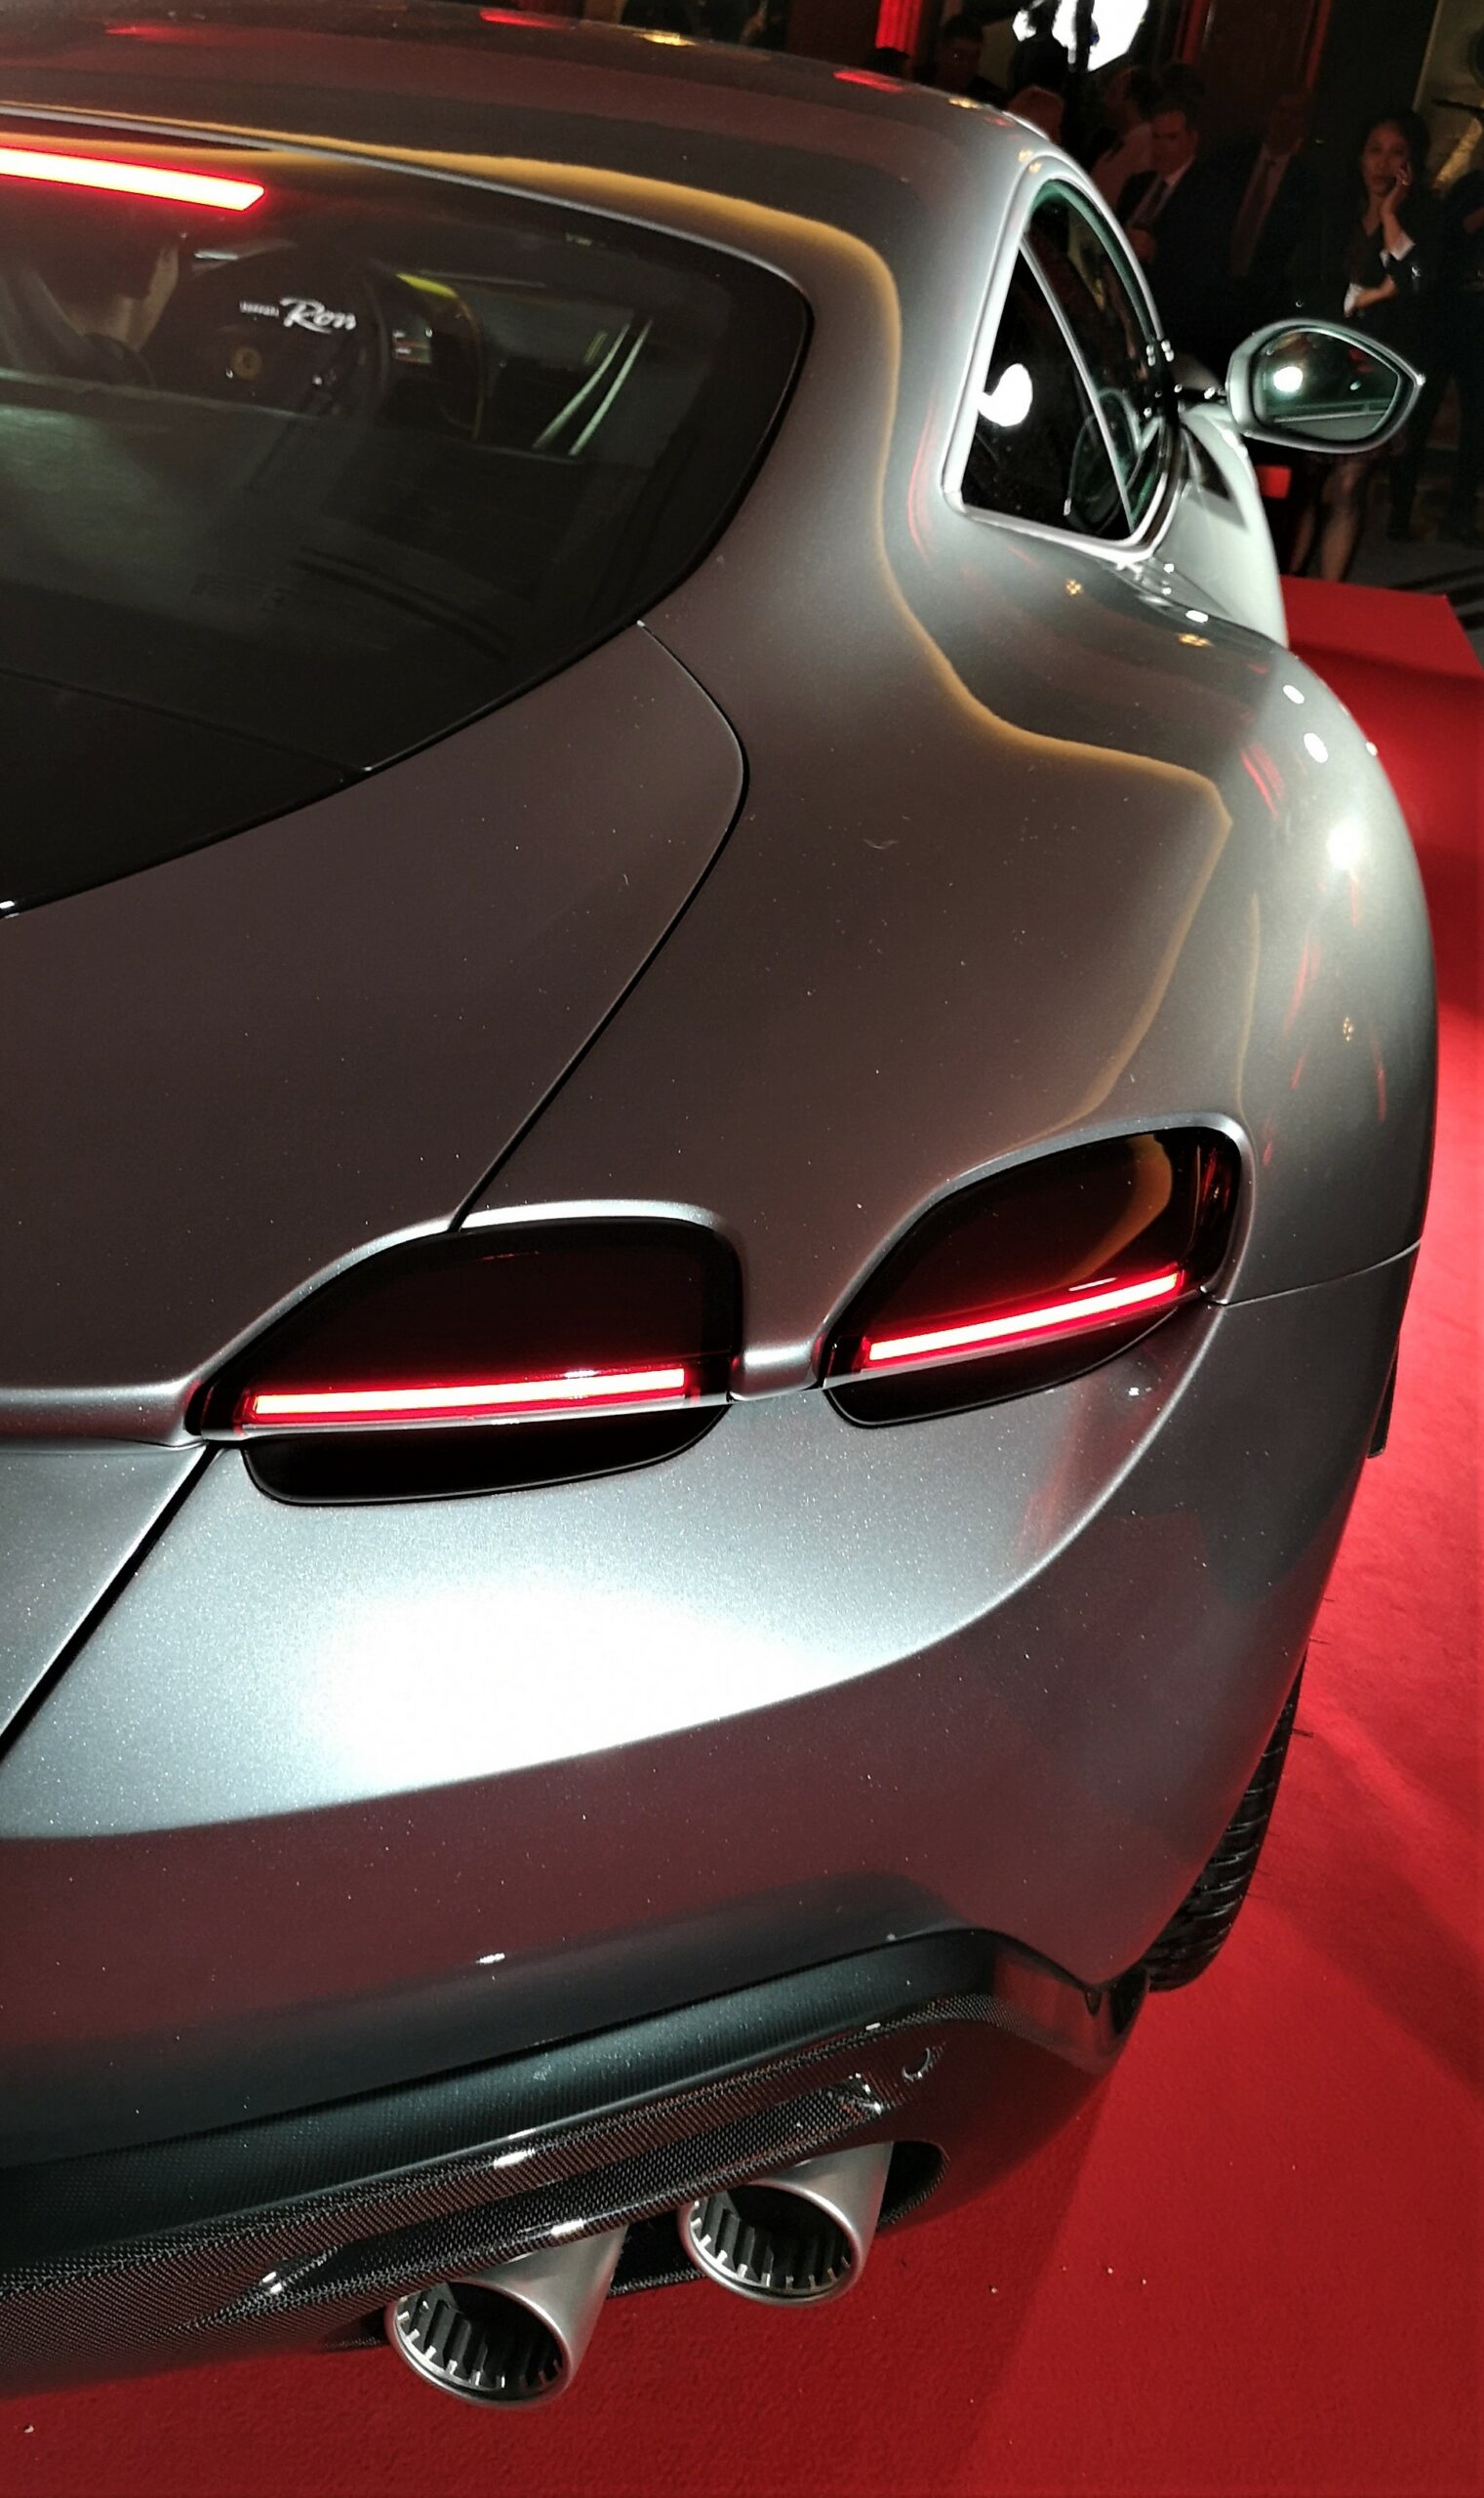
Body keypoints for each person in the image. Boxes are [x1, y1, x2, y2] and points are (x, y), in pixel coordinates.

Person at [1287, 110, 1437, 580]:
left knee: (1350, 482)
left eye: (1396, 153)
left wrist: (1390, 215)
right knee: (1307, 482)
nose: (1382, 163)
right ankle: (1289, 585)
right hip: (1320, 361)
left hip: (1377, 369)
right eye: (1375, 150)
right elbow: (1303, 278)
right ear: (1359, 155)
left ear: (1410, 163)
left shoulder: (1422, 217)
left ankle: (1330, 593)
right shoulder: (1334, 211)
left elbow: (1414, 281)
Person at [1386, 161, 1484, 544]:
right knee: (1421, 414)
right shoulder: (1470, 185)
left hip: (1478, 321)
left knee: (1476, 424)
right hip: (1446, 315)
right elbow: (1455, 231)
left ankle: (1459, 515)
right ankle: (1399, 511)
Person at [1116, 87, 1229, 372]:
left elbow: (1206, 268)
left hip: (1169, 323)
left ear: (1192, 139)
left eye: (1171, 138)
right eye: (1156, 137)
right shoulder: (1138, 185)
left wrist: (1156, 252)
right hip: (1121, 313)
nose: (1161, 147)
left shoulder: (1208, 196)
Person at [1219, 89, 1316, 344]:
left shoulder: (1305, 183)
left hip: (1261, 299)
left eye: (1294, 115)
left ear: (1303, 124)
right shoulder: (1235, 159)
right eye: (1281, 111)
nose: (1284, 120)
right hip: (1215, 281)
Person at [1089, 63, 1159, 206]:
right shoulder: (1116, 146)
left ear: (1131, 102)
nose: (1104, 100)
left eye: (1113, 93)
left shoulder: (1146, 148)